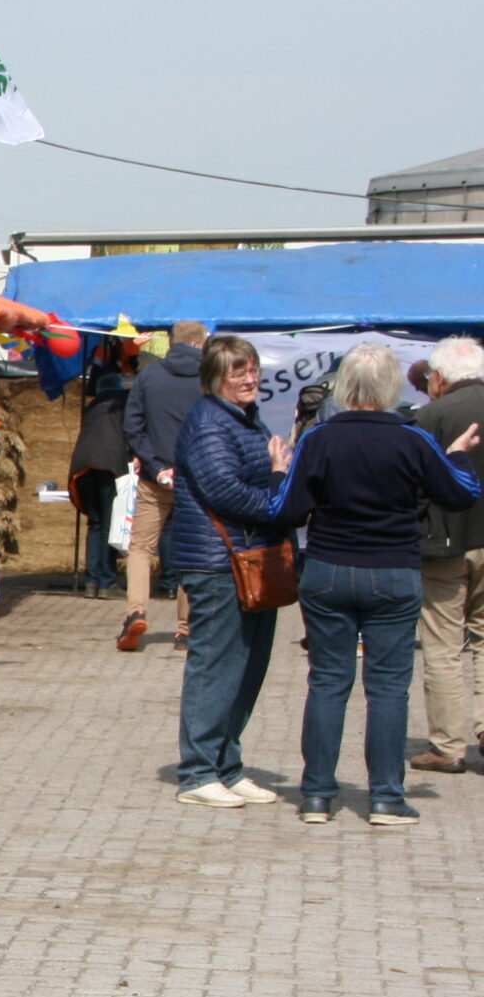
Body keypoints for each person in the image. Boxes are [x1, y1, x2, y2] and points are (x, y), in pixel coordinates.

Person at [265, 342, 482, 823]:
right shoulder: (413, 438)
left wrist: (279, 472)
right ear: (391, 385)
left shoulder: (318, 439)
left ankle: (317, 795)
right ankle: (385, 797)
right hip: (393, 571)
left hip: (328, 570)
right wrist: (458, 456)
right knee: (387, 689)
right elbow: (462, 494)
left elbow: (285, 511)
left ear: (343, 386)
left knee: (327, 683)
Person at [168, 335, 292, 809]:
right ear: (215, 377)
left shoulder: (244, 419)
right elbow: (224, 490)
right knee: (216, 667)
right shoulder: (209, 422)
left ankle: (227, 766)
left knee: (247, 669)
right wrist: (278, 494)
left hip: (250, 558)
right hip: (217, 563)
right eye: (238, 372)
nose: (249, 379)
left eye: (253, 369)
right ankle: (197, 772)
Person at [412, 337, 484, 773]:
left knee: (443, 644)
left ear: (439, 377)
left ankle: (448, 744)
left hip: (445, 544)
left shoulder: (429, 417)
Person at [121, 320, 208, 652]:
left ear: (173, 343)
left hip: (154, 478)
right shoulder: (210, 378)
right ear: (199, 344)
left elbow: (132, 426)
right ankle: (186, 629)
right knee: (191, 551)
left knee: (141, 548)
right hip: (196, 479)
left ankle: (136, 611)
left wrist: (155, 465)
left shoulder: (149, 375)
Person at [70, 372, 133, 599]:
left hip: (82, 465)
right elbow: (132, 431)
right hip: (109, 464)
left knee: (95, 524)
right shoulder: (122, 400)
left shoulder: (92, 407)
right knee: (109, 523)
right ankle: (107, 582)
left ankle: (91, 581)